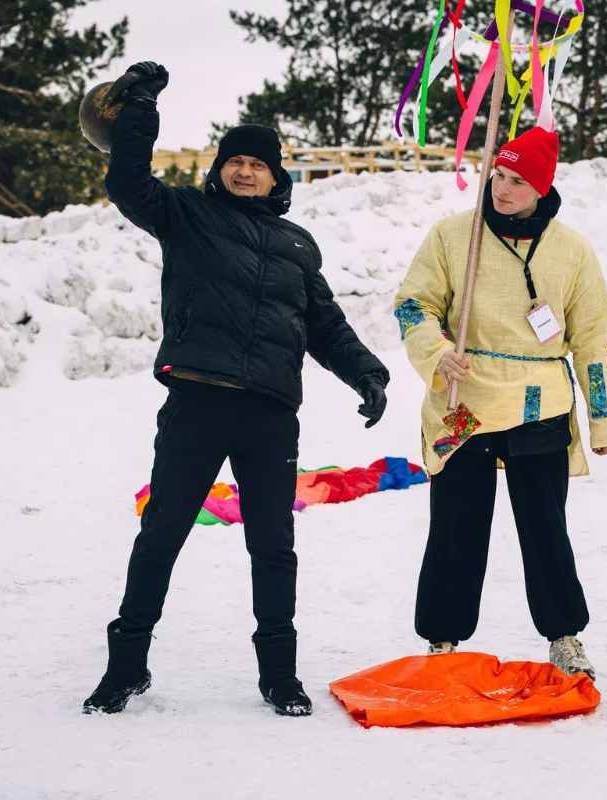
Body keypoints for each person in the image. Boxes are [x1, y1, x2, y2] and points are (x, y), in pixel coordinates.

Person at [82, 62, 389, 717]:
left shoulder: (297, 245)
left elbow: (324, 323)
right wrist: (139, 109)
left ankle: (279, 676)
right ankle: (125, 668)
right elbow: (128, 181)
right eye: (235, 161)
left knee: (273, 546)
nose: (245, 170)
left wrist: (366, 371)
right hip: (199, 402)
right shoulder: (185, 214)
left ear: (278, 177)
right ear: (218, 169)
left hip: (271, 415)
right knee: (161, 535)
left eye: (258, 163)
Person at [394, 126, 607, 680]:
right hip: (465, 399)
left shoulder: (573, 249)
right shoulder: (455, 236)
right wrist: (435, 351)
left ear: (543, 186)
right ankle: (442, 637)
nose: (501, 189)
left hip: (538, 402)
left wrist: (603, 419)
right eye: (497, 176)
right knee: (456, 525)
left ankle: (564, 635)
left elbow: (597, 338)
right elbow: (413, 304)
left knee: (545, 526)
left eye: (516, 181)